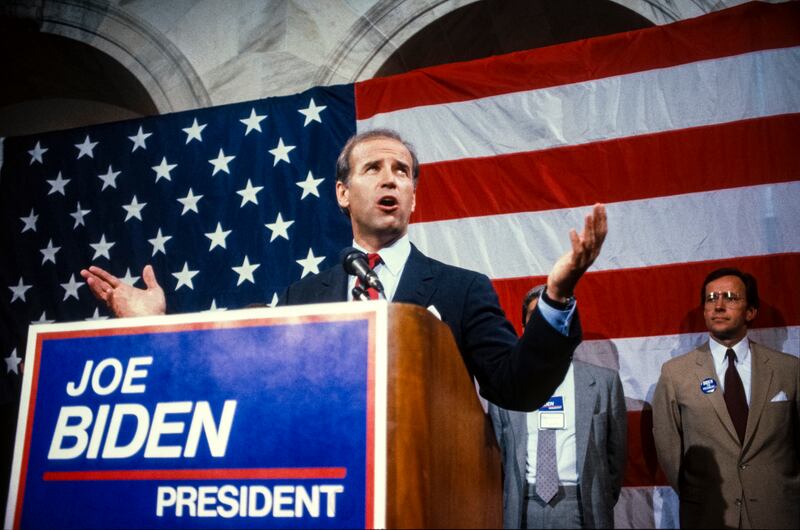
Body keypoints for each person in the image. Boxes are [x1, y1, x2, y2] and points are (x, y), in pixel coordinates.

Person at [81, 129, 608, 411]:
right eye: (373, 168)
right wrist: (154, 324)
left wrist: (557, 299)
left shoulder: (461, 289)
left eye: (402, 171)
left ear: (413, 199)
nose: (390, 179)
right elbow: (228, 367)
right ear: (342, 192)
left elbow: (518, 389)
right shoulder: (301, 295)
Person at [652, 268, 800, 529]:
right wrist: (697, 495)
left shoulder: (789, 369)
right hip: (708, 514)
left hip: (778, 513)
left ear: (751, 311)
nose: (718, 306)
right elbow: (669, 449)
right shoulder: (675, 373)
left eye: (730, 298)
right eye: (711, 298)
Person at [489, 285, 627, 528]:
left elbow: (614, 458)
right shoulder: (505, 384)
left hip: (580, 507)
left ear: (568, 326)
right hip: (523, 507)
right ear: (523, 329)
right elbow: (499, 457)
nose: (544, 327)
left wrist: (598, 499)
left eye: (553, 318)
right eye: (537, 318)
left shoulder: (604, 383)